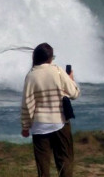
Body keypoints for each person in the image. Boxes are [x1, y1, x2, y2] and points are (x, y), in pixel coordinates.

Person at [20, 43, 80, 177]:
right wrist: (71, 80)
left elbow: (27, 104)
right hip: (60, 122)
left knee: (43, 167)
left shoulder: (31, 76)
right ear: (50, 58)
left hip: (39, 126)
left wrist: (25, 127)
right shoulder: (58, 71)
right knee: (65, 161)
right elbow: (74, 94)